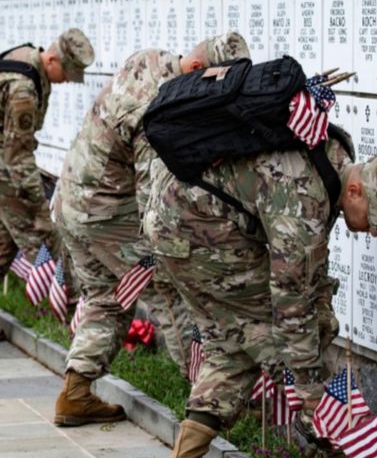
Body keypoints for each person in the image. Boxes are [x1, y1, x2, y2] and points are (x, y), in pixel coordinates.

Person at [143, 126, 377, 458]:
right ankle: (335, 448)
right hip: (197, 232)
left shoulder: (330, 160)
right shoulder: (306, 202)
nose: (376, 232)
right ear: (356, 191)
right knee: (272, 339)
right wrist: (312, 395)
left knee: (232, 346)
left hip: (178, 221)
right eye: (376, 219)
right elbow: (291, 307)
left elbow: (310, 275)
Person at [53, 32, 251, 427]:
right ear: (197, 70)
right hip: (107, 212)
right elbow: (152, 198)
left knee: (106, 298)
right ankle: (205, 398)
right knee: (167, 289)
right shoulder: (158, 108)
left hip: (70, 200)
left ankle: (74, 395)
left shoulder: (151, 56)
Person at [0, 30, 94, 277]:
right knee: (45, 248)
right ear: (51, 60)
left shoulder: (25, 57)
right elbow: (17, 157)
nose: (67, 80)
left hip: (6, 167)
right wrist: (38, 204)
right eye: (66, 73)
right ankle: (69, 301)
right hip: (6, 171)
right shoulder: (23, 90)